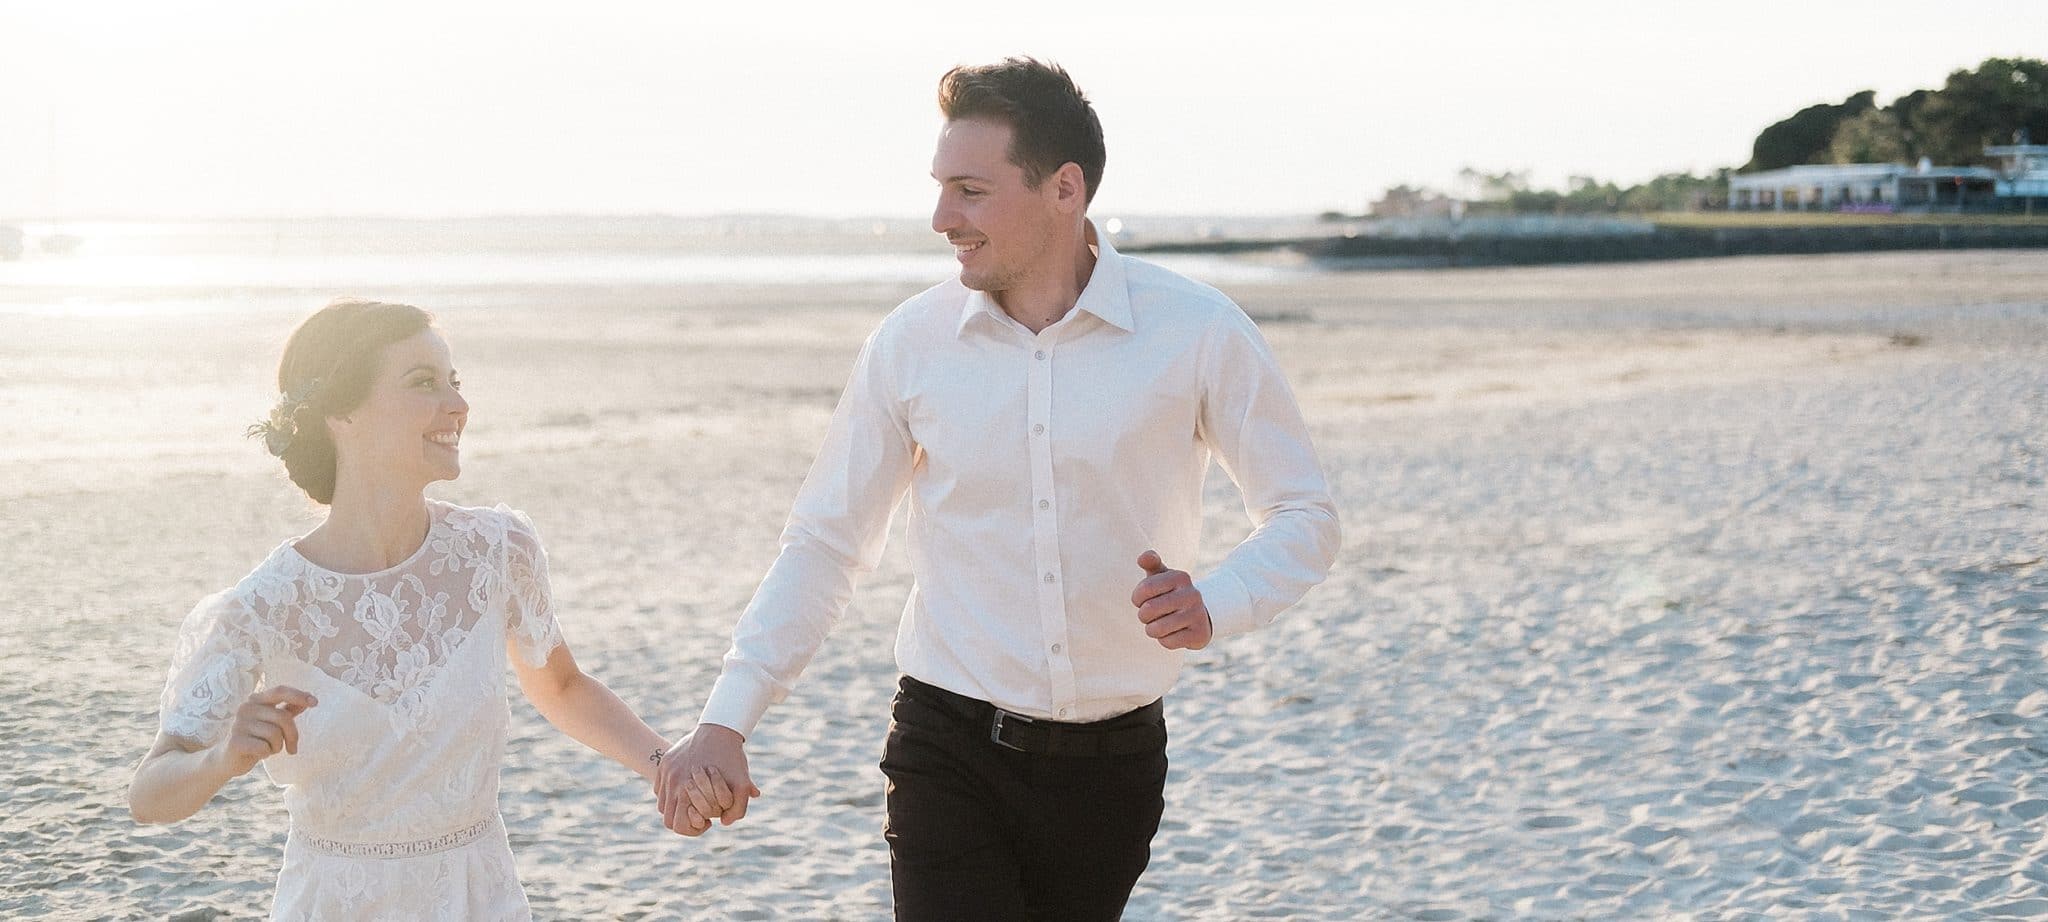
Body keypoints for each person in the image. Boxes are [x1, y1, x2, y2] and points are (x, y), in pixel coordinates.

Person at [658, 58, 1341, 920]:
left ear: (1065, 188)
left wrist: (1219, 597)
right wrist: (727, 718)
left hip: (1114, 764)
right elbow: (826, 546)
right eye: (943, 188)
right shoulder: (911, 344)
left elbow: (1304, 515)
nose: (943, 218)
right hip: (947, 748)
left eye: (971, 191)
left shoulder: (1198, 333)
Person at [128, 298, 728, 920]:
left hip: (479, 896)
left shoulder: (497, 550)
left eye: (454, 382)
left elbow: (563, 687)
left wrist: (667, 766)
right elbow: (149, 794)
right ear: (340, 411)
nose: (458, 405)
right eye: (423, 383)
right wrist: (222, 759)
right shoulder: (263, 605)